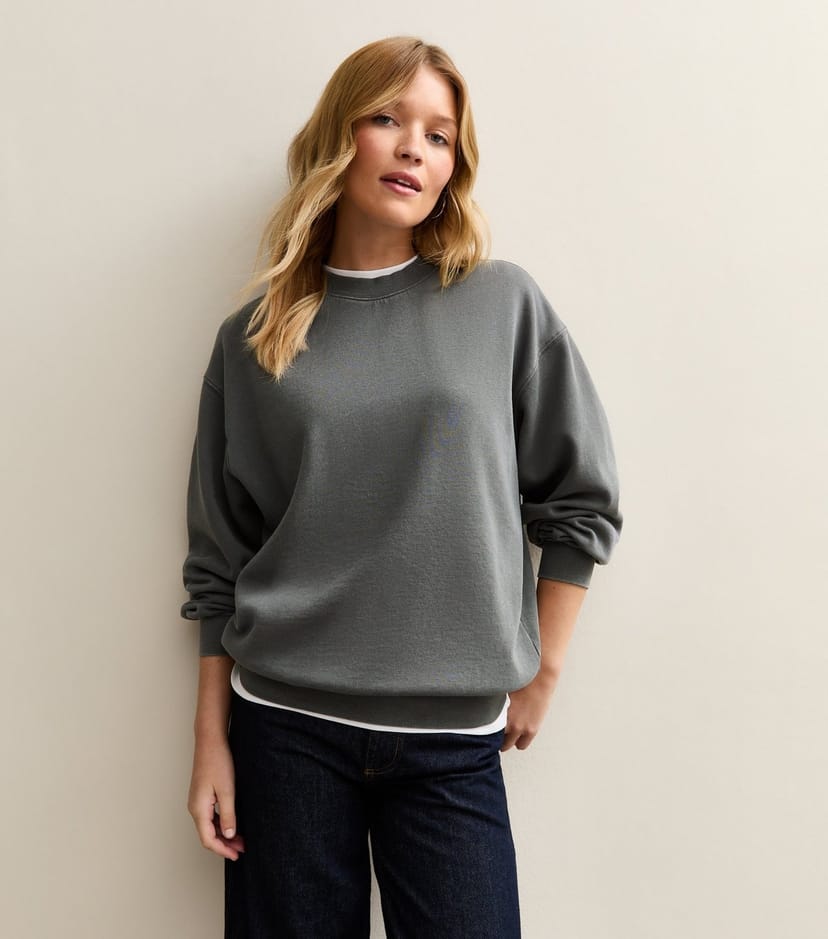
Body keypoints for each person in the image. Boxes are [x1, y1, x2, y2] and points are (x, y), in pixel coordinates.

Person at [179, 35, 623, 938]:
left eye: (440, 134)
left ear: (454, 164)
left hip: (452, 742)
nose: (414, 147)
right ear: (339, 136)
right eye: (387, 118)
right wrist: (210, 741)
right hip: (284, 728)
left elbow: (580, 498)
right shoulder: (252, 338)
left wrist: (544, 669)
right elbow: (220, 559)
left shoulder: (500, 304)